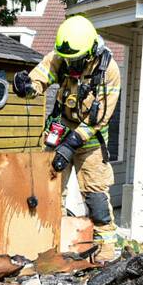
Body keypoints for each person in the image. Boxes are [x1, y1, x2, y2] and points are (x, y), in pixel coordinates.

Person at [13, 15, 122, 260]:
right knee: (48, 192)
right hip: (62, 127)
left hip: (90, 139)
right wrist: (26, 86)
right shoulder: (61, 57)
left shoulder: (109, 71)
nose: (71, 65)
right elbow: (40, 78)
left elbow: (99, 118)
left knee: (95, 197)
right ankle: (47, 249)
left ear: (91, 52)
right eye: (67, 60)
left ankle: (105, 253)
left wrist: (71, 145)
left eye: (76, 60)